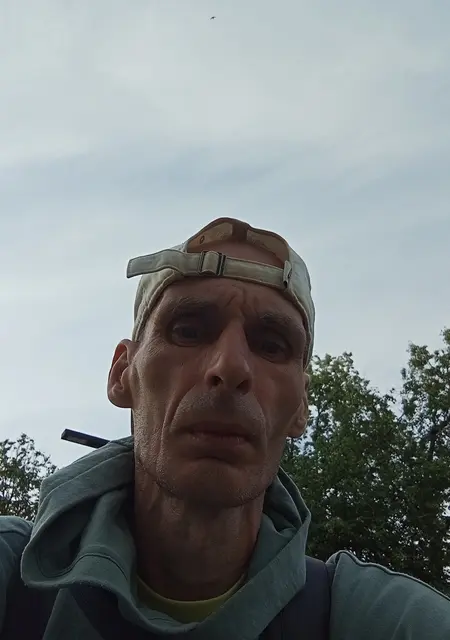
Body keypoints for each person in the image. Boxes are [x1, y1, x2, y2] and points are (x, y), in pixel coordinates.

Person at [0, 217, 449, 640]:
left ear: (301, 406)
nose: (231, 367)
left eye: (271, 345)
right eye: (188, 330)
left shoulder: (384, 622)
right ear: (123, 372)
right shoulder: (11, 582)